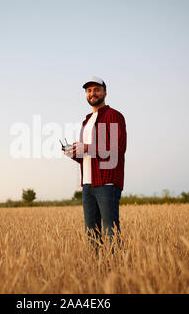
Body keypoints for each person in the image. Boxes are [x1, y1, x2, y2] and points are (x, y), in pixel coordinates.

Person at [63, 76, 127, 252]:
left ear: (105, 92)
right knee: (91, 231)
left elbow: (116, 149)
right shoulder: (86, 121)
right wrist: (74, 153)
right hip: (88, 183)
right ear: (86, 94)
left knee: (109, 230)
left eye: (97, 89)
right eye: (89, 91)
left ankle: (117, 268)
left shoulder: (114, 116)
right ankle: (98, 270)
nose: (93, 93)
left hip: (107, 182)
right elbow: (88, 154)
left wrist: (87, 148)